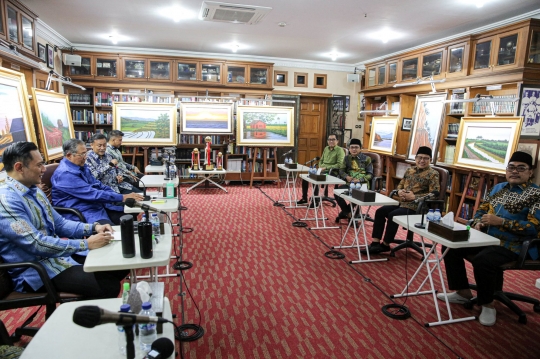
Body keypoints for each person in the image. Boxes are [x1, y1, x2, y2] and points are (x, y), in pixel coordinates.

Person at [0, 141, 127, 298]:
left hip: (57, 257)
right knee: (107, 285)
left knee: (119, 262)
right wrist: (86, 243)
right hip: (35, 272)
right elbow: (36, 243)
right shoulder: (6, 200)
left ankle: (86, 307)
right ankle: (80, 315)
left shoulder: (34, 190)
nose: (44, 169)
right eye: (39, 165)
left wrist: (93, 228)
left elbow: (59, 223)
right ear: (19, 167)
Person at [438, 151, 540, 326]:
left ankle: (488, 304)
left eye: (521, 168)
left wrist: (502, 222)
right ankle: (463, 293)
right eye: (511, 167)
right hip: (486, 238)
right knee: (451, 246)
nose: (515, 171)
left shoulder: (536, 195)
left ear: (530, 172)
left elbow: (534, 227)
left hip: (515, 245)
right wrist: (478, 222)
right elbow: (481, 211)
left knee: (483, 261)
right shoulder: (498, 188)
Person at [52, 139, 144, 225]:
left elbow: (98, 185)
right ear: (69, 155)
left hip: (97, 205)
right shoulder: (65, 174)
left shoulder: (81, 166)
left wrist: (115, 196)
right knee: (113, 233)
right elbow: (93, 194)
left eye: (85, 153)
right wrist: (122, 197)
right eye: (82, 154)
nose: (85, 157)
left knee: (133, 215)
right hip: (83, 212)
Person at [369, 146, 440, 254]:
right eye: (419, 157)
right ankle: (375, 243)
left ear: (430, 160)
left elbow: (434, 194)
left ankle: (385, 245)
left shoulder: (433, 174)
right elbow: (400, 185)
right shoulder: (409, 170)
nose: (422, 161)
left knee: (394, 215)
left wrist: (415, 197)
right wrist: (399, 192)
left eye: (426, 158)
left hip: (418, 206)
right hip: (402, 202)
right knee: (380, 211)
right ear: (415, 158)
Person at [297, 134, 345, 206]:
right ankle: (304, 199)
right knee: (306, 177)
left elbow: (340, 164)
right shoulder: (326, 148)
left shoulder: (340, 150)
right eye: (329, 140)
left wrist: (325, 168)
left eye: (333, 139)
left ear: (337, 141)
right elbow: (321, 160)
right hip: (322, 170)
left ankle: (315, 201)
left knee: (315, 179)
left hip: (333, 172)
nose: (331, 141)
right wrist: (320, 167)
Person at [334, 138, 373, 221]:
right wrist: (346, 177)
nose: (354, 149)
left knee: (356, 195)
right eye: (352, 147)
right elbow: (341, 170)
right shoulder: (346, 158)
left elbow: (370, 174)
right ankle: (348, 213)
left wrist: (360, 180)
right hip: (350, 183)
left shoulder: (367, 159)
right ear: (349, 148)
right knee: (337, 193)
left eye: (356, 147)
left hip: (362, 185)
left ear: (360, 148)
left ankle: (347, 213)